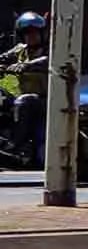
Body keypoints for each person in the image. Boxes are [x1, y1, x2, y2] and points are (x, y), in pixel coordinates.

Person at [2, 11, 43, 159]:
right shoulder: (20, 49)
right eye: (27, 33)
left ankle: (15, 144)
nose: (31, 36)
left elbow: (46, 60)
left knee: (23, 101)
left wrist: (27, 65)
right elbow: (4, 57)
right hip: (25, 97)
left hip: (45, 100)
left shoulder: (50, 50)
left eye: (34, 32)